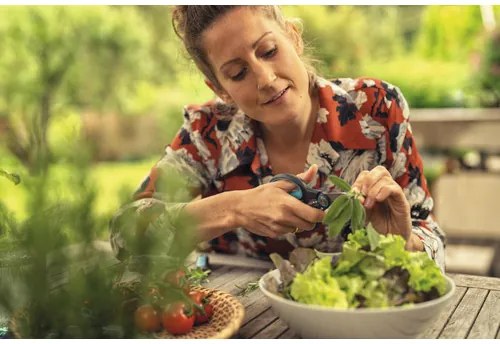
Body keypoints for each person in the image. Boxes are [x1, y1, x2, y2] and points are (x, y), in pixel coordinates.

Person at [109, 5, 446, 271]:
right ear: (219, 89)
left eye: (269, 51)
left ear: (293, 37)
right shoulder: (207, 133)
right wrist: (236, 208)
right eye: (238, 73)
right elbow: (124, 234)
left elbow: (431, 241)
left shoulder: (376, 109)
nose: (266, 79)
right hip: (239, 312)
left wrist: (405, 243)